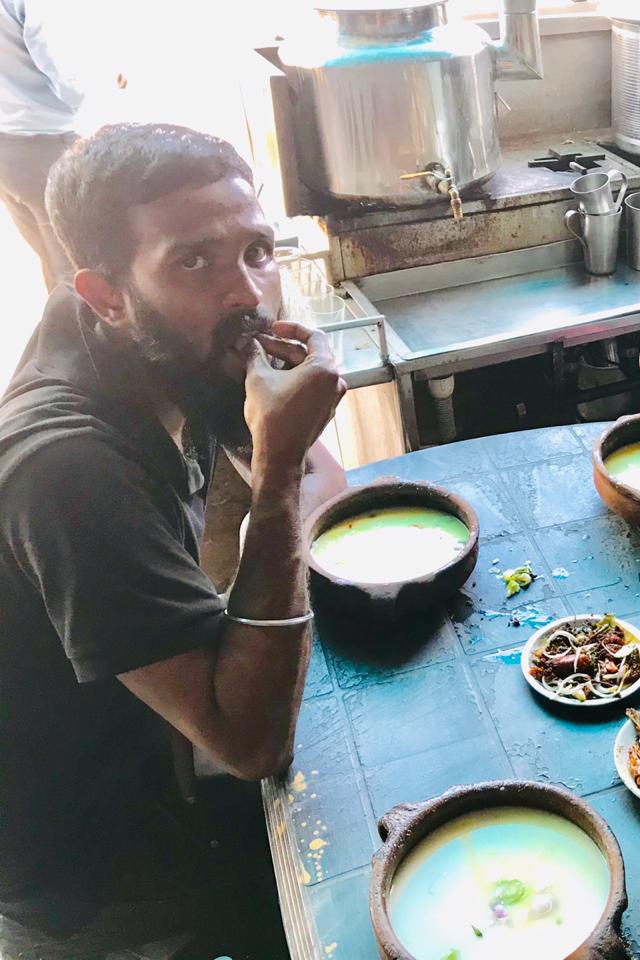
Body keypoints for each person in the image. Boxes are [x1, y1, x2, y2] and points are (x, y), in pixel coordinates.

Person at [0, 122, 348, 958]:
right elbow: (249, 742)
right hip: (92, 868)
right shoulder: (68, 470)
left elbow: (332, 492)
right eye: (194, 261)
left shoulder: (149, 341)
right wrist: (276, 472)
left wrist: (286, 442)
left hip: (161, 746)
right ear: (106, 295)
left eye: (257, 251)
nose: (247, 294)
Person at [0, 0, 86, 290]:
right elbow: (66, 74)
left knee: (50, 257)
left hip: (7, 148)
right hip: (47, 142)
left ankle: (60, 314)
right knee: (76, 264)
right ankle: (72, 319)